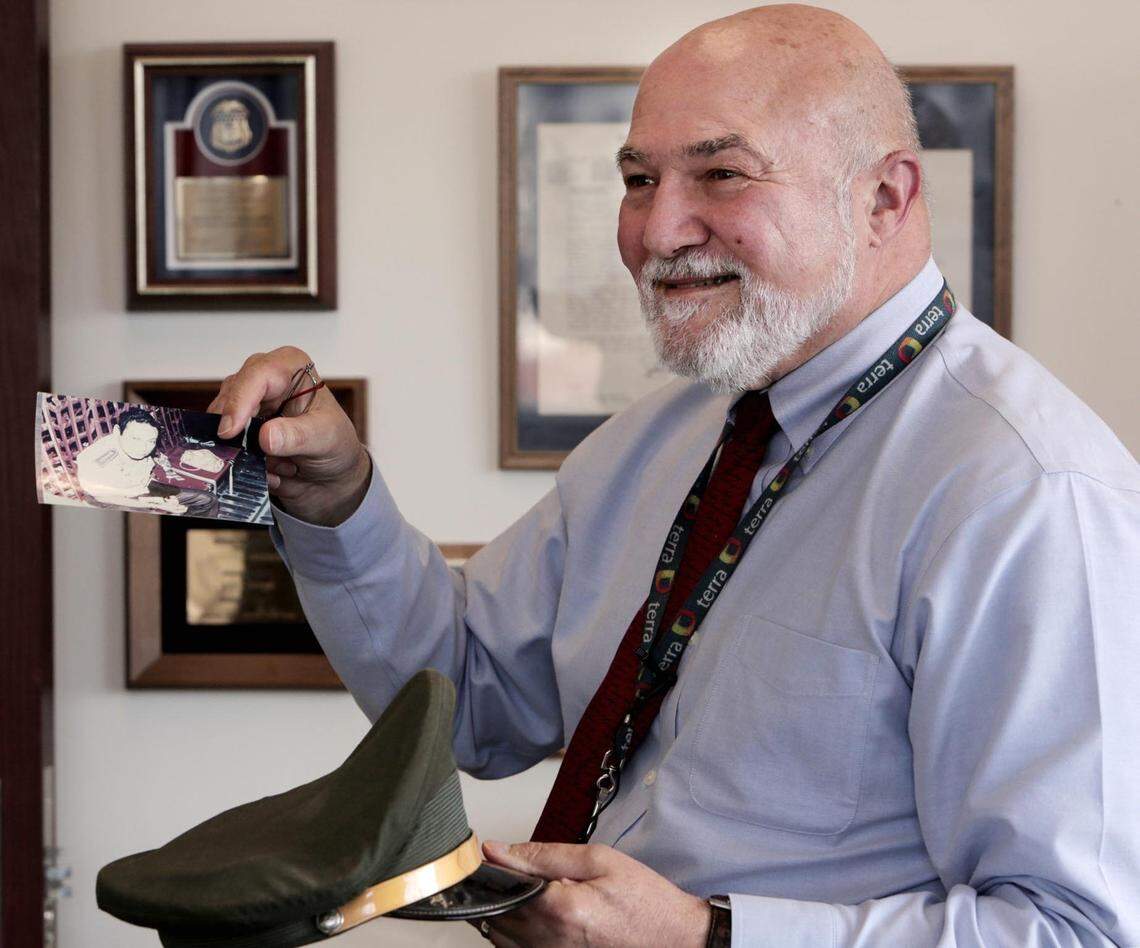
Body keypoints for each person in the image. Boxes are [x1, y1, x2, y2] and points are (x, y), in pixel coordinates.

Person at [209, 5, 1140, 945]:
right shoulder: (658, 442)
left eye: (722, 173)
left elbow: (1081, 929)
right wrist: (335, 499)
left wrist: (709, 935)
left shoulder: (1028, 492)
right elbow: (470, 699)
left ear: (885, 197)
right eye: (638, 178)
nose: (657, 231)